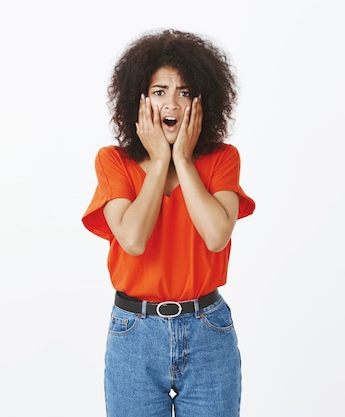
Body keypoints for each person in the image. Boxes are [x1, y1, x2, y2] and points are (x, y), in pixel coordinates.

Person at [82, 29, 255, 417]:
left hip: (208, 331)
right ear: (139, 101)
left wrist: (183, 159)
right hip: (134, 334)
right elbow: (133, 239)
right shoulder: (113, 161)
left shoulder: (223, 159)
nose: (171, 103)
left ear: (202, 100)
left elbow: (215, 235)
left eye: (184, 91)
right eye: (159, 91)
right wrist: (160, 160)